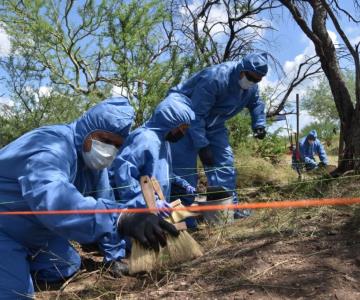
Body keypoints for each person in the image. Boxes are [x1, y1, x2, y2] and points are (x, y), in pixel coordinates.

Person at [0, 97, 179, 299]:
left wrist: (118, 251)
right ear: (88, 128)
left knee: (67, 265)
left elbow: (106, 202)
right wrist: (120, 218)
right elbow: (54, 202)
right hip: (4, 230)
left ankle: (18, 264)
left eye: (116, 145)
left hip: (37, 230)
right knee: (16, 293)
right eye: (105, 140)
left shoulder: (91, 165)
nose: (109, 149)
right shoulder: (49, 146)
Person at [166, 52, 268, 220]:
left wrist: (259, 124)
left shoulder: (251, 87)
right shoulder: (215, 78)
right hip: (185, 120)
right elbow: (196, 115)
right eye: (250, 77)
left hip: (214, 124)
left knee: (224, 164)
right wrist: (202, 145)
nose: (252, 81)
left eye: (257, 79)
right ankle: (183, 217)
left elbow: (256, 103)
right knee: (183, 169)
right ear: (241, 69)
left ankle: (227, 210)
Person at [109, 93, 195, 222]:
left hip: (153, 211)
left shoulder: (164, 141)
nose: (183, 133)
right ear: (171, 121)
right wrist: (147, 202)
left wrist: (182, 185)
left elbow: (163, 174)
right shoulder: (145, 138)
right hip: (134, 212)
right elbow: (125, 176)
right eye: (182, 128)